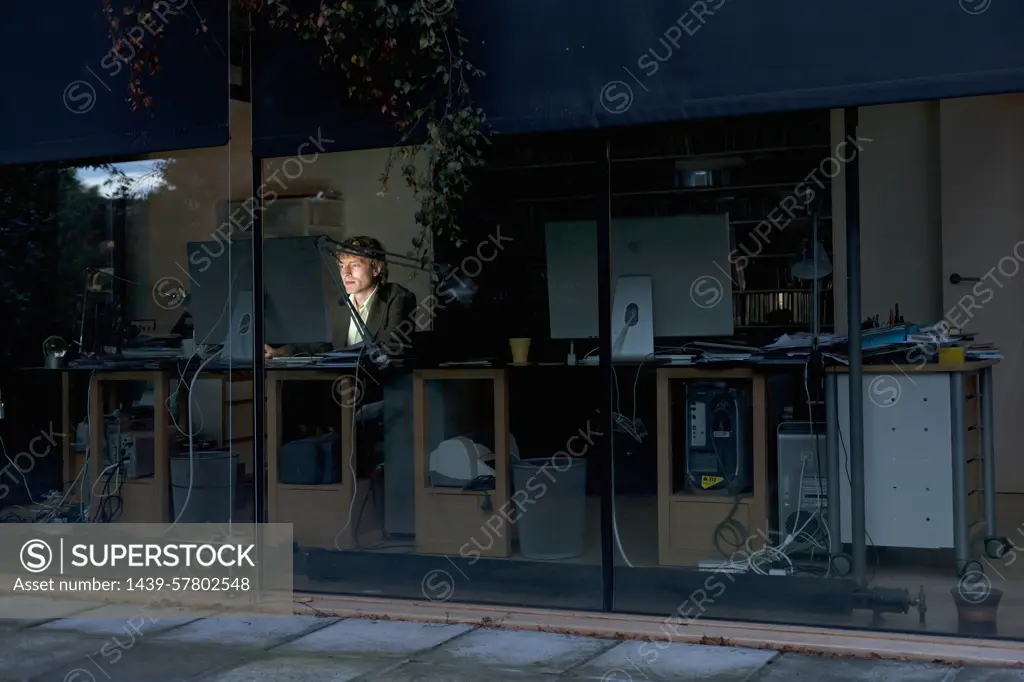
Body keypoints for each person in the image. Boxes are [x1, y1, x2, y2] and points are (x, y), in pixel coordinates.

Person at [265, 235, 417, 358]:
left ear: (376, 269)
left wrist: (340, 354)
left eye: (354, 265)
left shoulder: (398, 297)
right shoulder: (340, 304)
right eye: (342, 266)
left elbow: (390, 347)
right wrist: (285, 352)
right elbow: (329, 347)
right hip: (346, 382)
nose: (346, 273)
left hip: (386, 384)